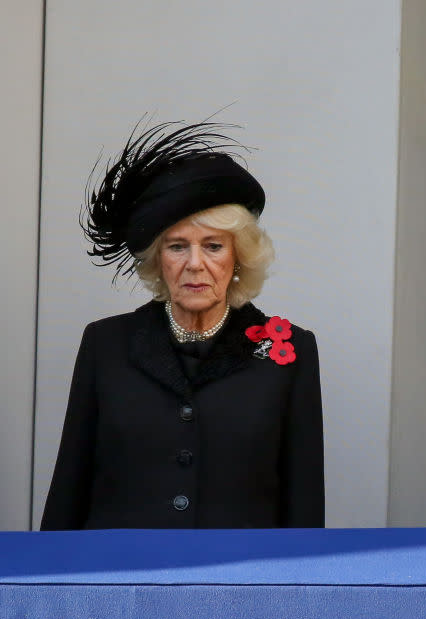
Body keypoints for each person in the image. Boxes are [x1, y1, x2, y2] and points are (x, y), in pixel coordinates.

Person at [41, 120, 325, 529]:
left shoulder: (290, 351)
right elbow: (70, 483)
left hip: (238, 583)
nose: (195, 263)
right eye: (177, 246)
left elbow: (304, 503)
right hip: (120, 581)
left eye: (212, 246)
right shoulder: (105, 345)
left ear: (237, 257)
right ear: (159, 260)